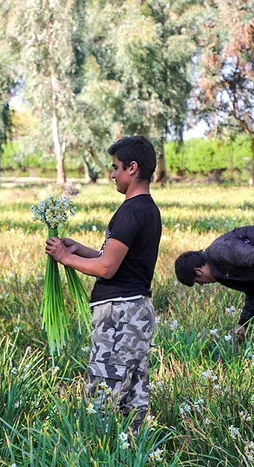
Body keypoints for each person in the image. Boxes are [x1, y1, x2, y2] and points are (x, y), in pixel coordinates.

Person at [45, 136, 162, 432]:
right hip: (137, 311)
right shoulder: (149, 210)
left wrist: (63, 258)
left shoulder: (130, 211)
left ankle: (100, 454)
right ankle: (133, 453)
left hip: (119, 316)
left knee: (103, 398)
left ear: (132, 168)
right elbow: (113, 259)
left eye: (115, 168)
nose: (112, 175)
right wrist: (79, 250)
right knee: (134, 396)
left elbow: (107, 268)